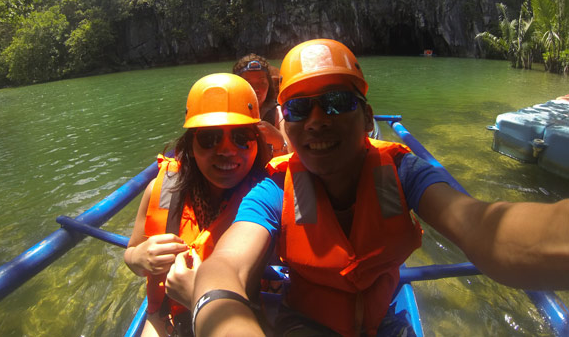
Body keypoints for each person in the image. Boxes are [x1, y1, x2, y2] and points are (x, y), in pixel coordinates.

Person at [192, 39, 569, 337]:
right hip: (306, 326)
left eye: (337, 102)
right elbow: (224, 265)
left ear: (367, 116)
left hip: (384, 323)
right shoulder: (275, 189)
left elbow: (485, 228)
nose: (317, 121)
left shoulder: (404, 172)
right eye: (300, 109)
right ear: (285, 125)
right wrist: (215, 303)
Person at [124, 73, 272, 337]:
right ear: (191, 145)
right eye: (210, 138)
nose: (226, 150)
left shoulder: (269, 198)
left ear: (257, 143)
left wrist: (199, 296)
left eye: (241, 137)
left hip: (240, 318)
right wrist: (139, 257)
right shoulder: (163, 189)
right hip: (167, 320)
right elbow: (131, 254)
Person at [233, 54, 288, 156]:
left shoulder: (280, 115)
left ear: (269, 85)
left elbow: (291, 158)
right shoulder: (226, 116)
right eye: (248, 83)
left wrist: (278, 141)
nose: (256, 89)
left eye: (262, 82)